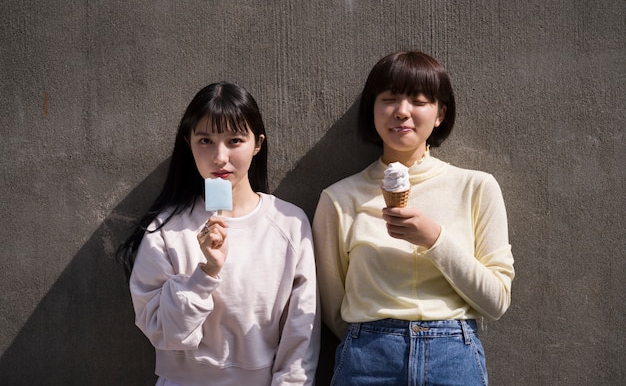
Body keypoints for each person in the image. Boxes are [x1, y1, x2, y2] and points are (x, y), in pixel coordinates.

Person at [312, 51, 514, 385]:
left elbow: (496, 301)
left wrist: (434, 239)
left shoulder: (476, 188)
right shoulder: (339, 198)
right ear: (372, 110)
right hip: (367, 359)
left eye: (418, 101)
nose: (402, 111)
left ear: (439, 114)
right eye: (388, 99)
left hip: (453, 356)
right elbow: (334, 307)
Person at [117, 82, 320, 386]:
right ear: (189, 143)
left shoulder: (289, 223)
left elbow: (301, 334)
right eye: (205, 141)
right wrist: (205, 273)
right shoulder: (166, 230)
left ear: (257, 144)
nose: (220, 157)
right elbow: (164, 332)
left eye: (235, 140)